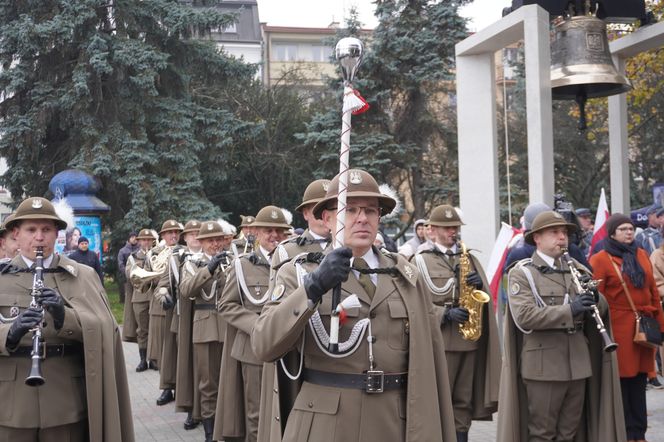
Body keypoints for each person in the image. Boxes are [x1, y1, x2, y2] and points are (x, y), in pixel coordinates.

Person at [251, 169, 457, 442]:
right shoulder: (299, 273)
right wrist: (313, 288)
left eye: (371, 211)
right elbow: (263, 344)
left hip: (392, 422)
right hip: (324, 424)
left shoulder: (406, 276)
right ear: (327, 218)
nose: (362, 218)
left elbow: (430, 361)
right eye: (350, 210)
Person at [0, 197, 134, 440]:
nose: (39, 237)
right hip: (10, 404)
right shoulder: (2, 277)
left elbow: (107, 330)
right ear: (16, 234)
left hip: (65, 401)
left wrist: (66, 318)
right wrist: (10, 333)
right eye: (31, 230)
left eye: (47, 230)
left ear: (57, 234)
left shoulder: (82, 276)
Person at [498, 210, 624, 442]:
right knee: (543, 433)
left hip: (578, 362)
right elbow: (525, 316)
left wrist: (596, 299)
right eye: (554, 232)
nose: (562, 237)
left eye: (564, 232)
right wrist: (570, 310)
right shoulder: (523, 273)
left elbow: (601, 312)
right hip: (544, 366)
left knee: (570, 432)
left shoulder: (576, 268)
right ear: (537, 238)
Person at [413, 204, 500, 442]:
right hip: (438, 342)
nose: (453, 232)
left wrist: (479, 284)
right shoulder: (420, 261)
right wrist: (444, 314)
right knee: (438, 399)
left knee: (463, 401)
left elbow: (483, 299)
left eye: (455, 227)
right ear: (432, 230)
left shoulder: (468, 258)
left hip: (467, 340)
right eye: (447, 227)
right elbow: (412, 302)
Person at [216, 206, 291, 442]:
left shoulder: (293, 263)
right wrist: (259, 325)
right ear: (256, 233)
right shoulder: (243, 264)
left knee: (285, 410)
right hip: (253, 351)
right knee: (257, 414)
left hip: (288, 350)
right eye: (268, 230)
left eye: (279, 231)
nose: (274, 236)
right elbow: (226, 305)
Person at [590, 213, 664, 442]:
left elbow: (652, 289)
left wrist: (659, 325)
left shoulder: (641, 254)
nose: (629, 232)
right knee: (622, 380)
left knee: (640, 379)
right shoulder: (599, 259)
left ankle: (638, 432)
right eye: (623, 229)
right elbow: (596, 297)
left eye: (631, 228)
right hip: (619, 328)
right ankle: (624, 432)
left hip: (642, 327)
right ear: (612, 233)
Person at [179, 221, 230, 441]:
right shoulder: (192, 263)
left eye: (218, 239)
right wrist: (209, 269)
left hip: (229, 326)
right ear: (201, 242)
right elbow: (186, 290)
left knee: (230, 380)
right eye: (210, 240)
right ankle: (210, 433)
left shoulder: (233, 261)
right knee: (208, 383)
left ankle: (229, 426)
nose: (215, 244)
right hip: (205, 327)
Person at [159, 219, 203, 430]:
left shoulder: (213, 256)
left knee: (207, 366)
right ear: (185, 238)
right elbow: (164, 284)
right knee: (187, 365)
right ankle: (193, 410)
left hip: (209, 318)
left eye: (198, 233)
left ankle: (211, 410)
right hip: (184, 317)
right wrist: (163, 295)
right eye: (191, 233)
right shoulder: (176, 258)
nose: (195, 236)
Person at [146, 219, 184, 407]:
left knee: (178, 350)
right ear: (162, 236)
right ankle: (166, 388)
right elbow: (142, 279)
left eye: (176, 232)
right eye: (169, 233)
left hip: (180, 308)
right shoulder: (154, 254)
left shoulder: (184, 252)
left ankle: (181, 388)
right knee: (163, 351)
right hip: (160, 307)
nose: (174, 235)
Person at [126, 228, 157, 371]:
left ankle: (154, 359)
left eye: (149, 240)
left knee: (155, 329)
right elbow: (130, 275)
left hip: (155, 296)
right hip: (139, 297)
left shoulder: (158, 255)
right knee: (142, 330)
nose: (146, 242)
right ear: (138, 241)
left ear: (152, 241)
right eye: (143, 240)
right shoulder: (133, 258)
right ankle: (143, 360)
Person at [117, 231, 139, 304]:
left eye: (135, 237)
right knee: (129, 297)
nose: (134, 239)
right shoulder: (122, 251)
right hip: (127, 278)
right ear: (129, 239)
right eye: (132, 237)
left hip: (139, 278)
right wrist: (128, 273)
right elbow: (120, 264)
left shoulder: (140, 249)